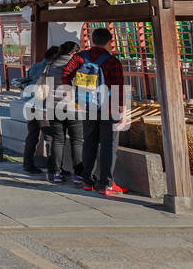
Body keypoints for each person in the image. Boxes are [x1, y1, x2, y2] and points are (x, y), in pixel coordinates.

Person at [61, 27, 128, 196]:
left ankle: (87, 180)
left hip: (87, 105)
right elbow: (119, 88)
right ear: (109, 42)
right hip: (109, 108)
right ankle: (106, 184)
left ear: (91, 40)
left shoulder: (79, 58)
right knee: (108, 146)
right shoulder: (113, 62)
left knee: (89, 142)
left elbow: (66, 75)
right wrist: (123, 112)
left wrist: (70, 95)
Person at [44, 41, 84, 184]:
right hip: (72, 106)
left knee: (58, 140)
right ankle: (79, 175)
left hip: (53, 106)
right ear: (74, 53)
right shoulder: (77, 65)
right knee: (77, 141)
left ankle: (56, 173)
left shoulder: (50, 65)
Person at [19, 46, 57, 174]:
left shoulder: (35, 66)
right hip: (43, 106)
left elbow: (26, 80)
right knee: (50, 137)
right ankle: (53, 168)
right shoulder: (52, 68)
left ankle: (27, 164)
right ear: (54, 57)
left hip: (30, 105)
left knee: (32, 135)